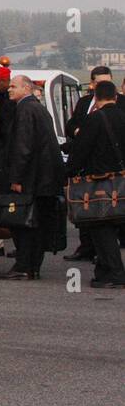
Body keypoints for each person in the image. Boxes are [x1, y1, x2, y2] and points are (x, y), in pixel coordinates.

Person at [0, 74, 65, 280]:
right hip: (45, 178)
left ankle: (23, 266)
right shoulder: (38, 108)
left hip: (31, 178)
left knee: (23, 224)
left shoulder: (25, 109)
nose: (9, 89)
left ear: (26, 88)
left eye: (13, 86)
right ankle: (32, 266)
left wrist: (16, 178)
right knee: (36, 225)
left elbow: (23, 146)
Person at [64, 80, 125, 288]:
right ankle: (105, 271)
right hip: (121, 182)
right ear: (116, 97)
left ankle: (115, 274)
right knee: (113, 228)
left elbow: (81, 151)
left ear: (96, 99)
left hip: (100, 183)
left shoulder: (95, 119)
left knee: (101, 228)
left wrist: (69, 172)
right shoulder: (123, 116)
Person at [63, 65, 114, 261]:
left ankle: (105, 253)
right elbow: (71, 124)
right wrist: (77, 132)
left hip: (107, 165)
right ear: (92, 84)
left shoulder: (118, 103)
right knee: (85, 207)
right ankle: (86, 247)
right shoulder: (84, 103)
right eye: (100, 82)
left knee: (106, 212)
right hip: (85, 164)